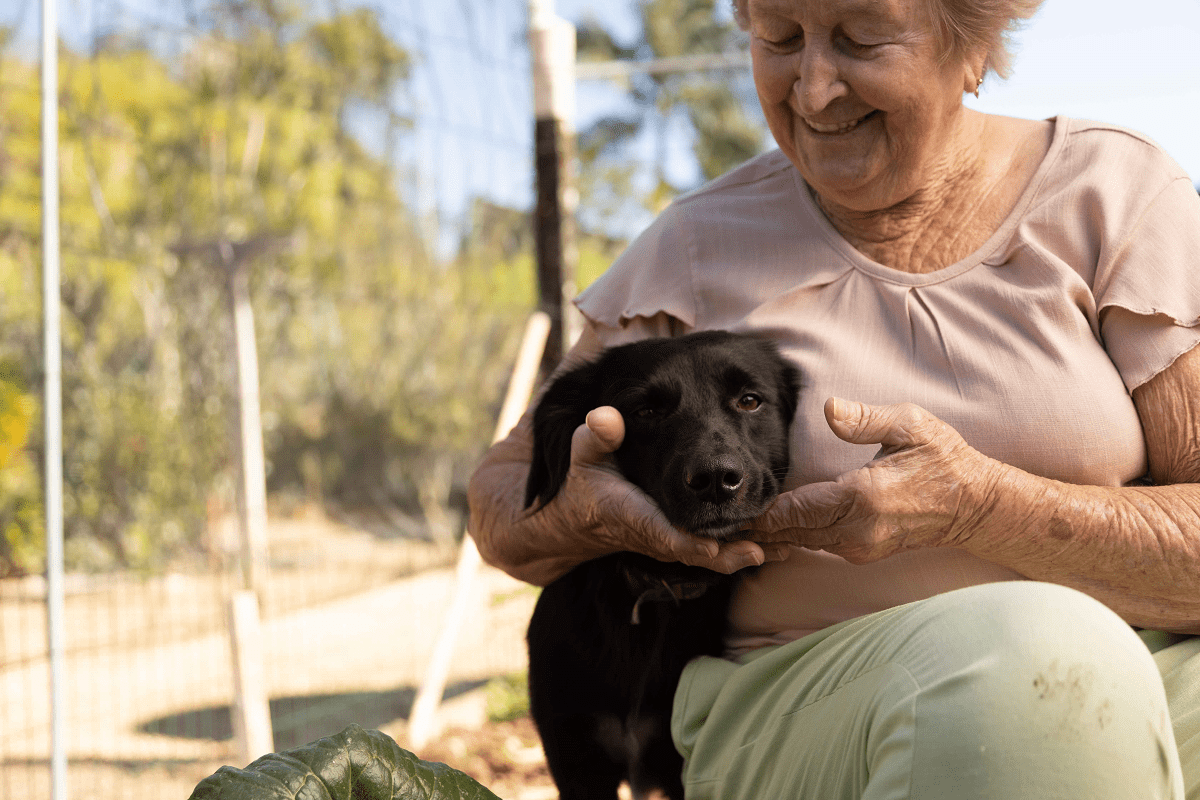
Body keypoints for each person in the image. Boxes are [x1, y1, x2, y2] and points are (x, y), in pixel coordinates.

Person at [468, 0, 1200, 795]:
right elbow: (500, 504)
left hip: (1143, 662)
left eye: (860, 40)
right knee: (1032, 669)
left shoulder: (1115, 192)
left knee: (1068, 677)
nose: (813, 90)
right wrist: (592, 514)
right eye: (778, 39)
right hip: (806, 693)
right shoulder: (696, 246)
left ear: (972, 45)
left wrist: (984, 507)